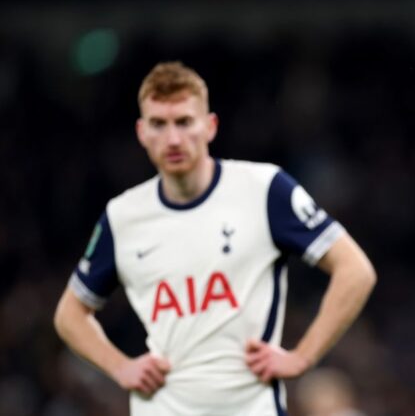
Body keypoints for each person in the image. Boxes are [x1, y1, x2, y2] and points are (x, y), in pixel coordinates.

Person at [53, 61, 377, 415]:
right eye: (159, 124)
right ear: (142, 132)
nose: (173, 139)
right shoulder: (123, 216)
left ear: (210, 126)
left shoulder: (264, 190)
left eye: (184, 122)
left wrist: (303, 356)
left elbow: (355, 270)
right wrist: (119, 366)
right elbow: (70, 313)